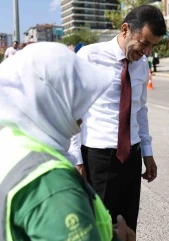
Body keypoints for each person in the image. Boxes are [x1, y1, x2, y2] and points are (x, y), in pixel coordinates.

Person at [0, 42, 135, 241]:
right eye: (77, 100)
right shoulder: (54, 187)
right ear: (53, 101)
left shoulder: (11, 140)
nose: (82, 116)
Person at [68, 5, 167, 233]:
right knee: (97, 229)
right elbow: (73, 110)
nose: (148, 51)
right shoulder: (89, 57)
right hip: (97, 159)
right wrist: (76, 159)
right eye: (144, 43)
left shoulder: (142, 65)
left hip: (131, 157)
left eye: (153, 45)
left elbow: (140, 110)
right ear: (125, 29)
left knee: (127, 227)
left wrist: (147, 153)